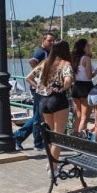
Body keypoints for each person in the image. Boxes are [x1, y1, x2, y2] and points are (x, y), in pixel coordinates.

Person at [26, 39, 74, 171]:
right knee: (58, 136)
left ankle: (52, 163)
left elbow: (28, 77)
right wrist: (63, 88)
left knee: (52, 135)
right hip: (58, 100)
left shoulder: (45, 63)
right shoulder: (65, 64)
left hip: (44, 101)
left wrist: (39, 88)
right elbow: (68, 80)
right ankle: (53, 167)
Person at [14, 32, 56, 150]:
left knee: (38, 116)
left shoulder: (47, 52)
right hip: (39, 89)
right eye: (49, 40)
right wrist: (39, 74)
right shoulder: (40, 52)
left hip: (41, 88)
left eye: (53, 40)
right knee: (38, 117)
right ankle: (37, 143)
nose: (52, 43)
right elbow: (32, 61)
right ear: (43, 40)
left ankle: (18, 136)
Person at [70, 38, 97, 137]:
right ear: (83, 48)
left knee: (78, 116)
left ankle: (74, 138)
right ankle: (81, 140)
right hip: (85, 88)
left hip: (76, 87)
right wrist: (95, 72)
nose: (89, 47)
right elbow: (89, 76)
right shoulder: (86, 59)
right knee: (84, 117)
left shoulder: (73, 59)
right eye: (87, 46)